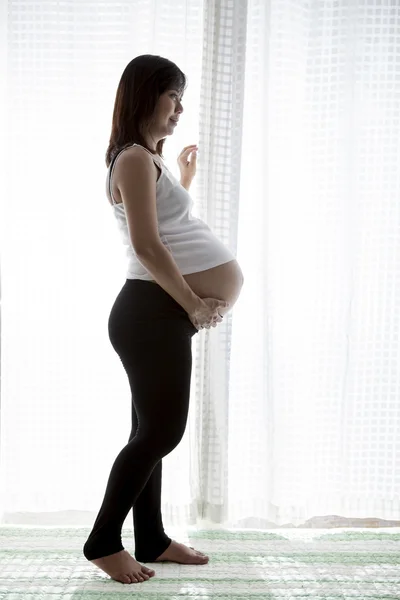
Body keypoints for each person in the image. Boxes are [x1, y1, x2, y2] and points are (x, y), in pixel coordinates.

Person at [83, 54, 244, 585]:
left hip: (156, 312)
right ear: (144, 94)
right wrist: (195, 304)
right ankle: (104, 541)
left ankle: (150, 537)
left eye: (181, 98)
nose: (179, 108)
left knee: (148, 430)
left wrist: (183, 180)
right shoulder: (131, 157)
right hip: (150, 312)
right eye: (172, 95)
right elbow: (148, 245)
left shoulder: (143, 160)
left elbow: (165, 225)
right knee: (161, 433)